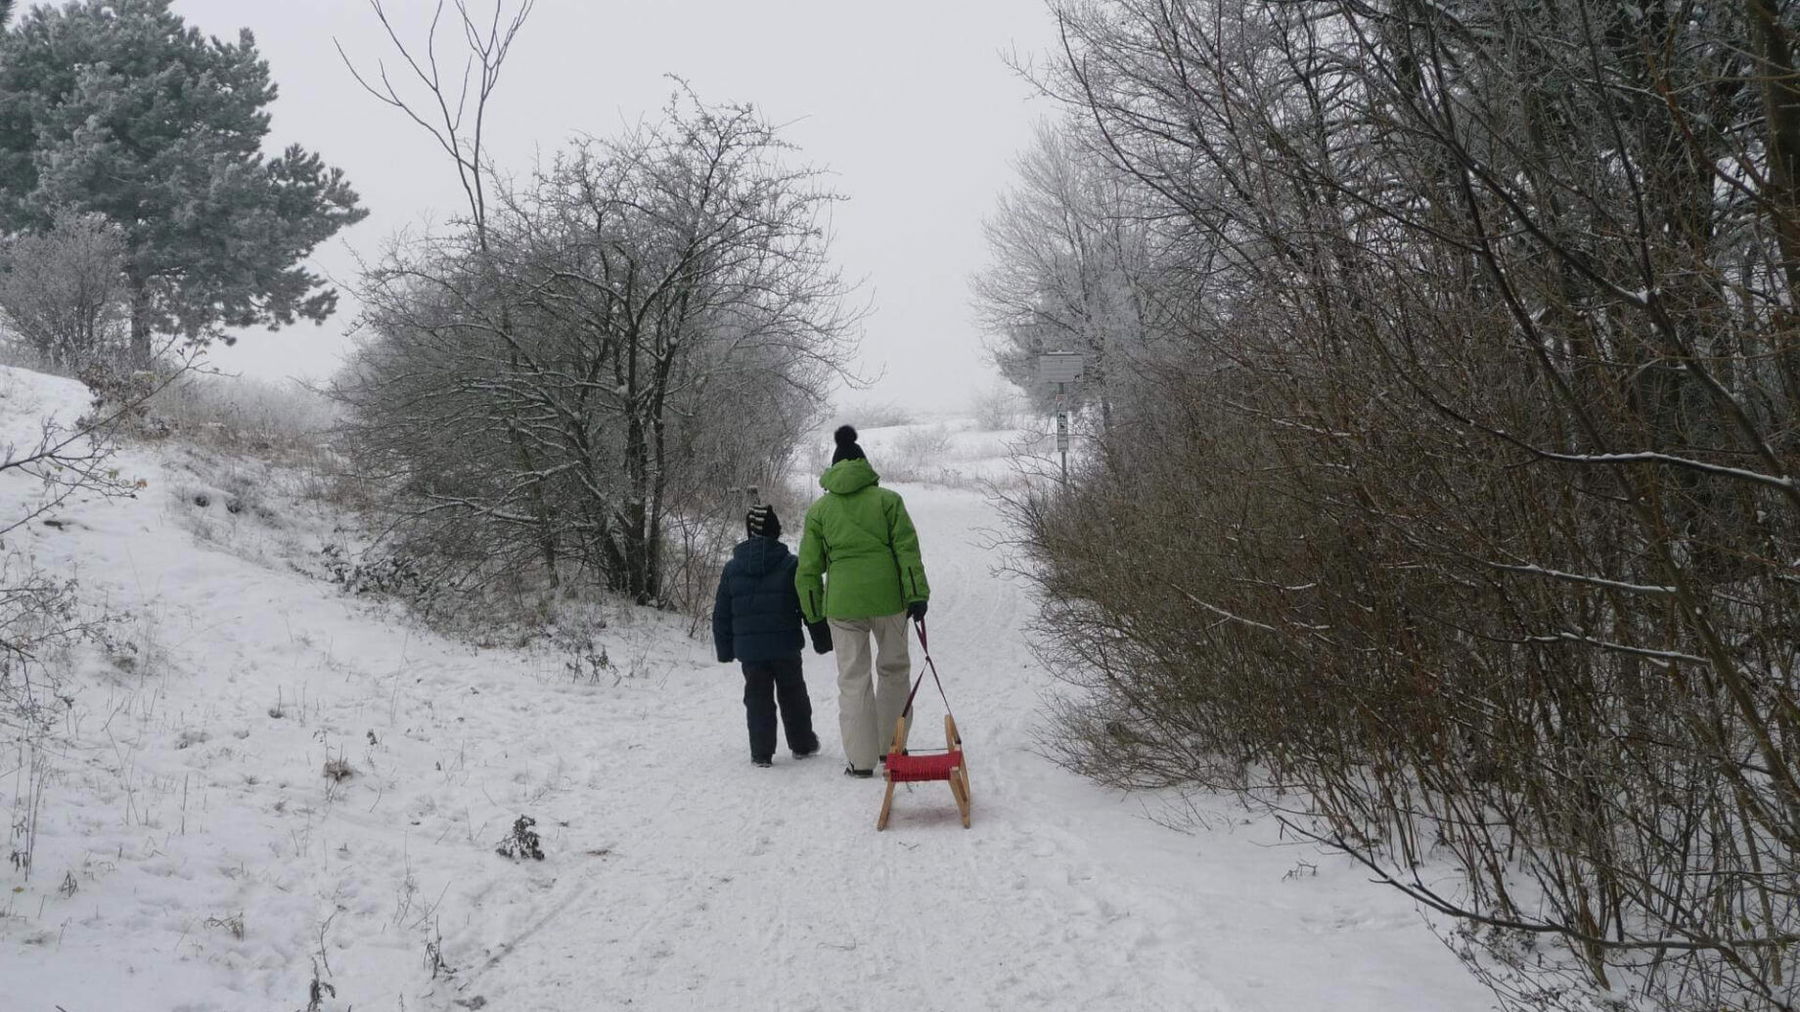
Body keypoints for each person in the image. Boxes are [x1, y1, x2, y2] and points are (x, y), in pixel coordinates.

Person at [796, 426, 930, 778]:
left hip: (842, 606)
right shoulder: (888, 501)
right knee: (894, 672)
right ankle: (893, 748)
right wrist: (916, 594)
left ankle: (860, 761)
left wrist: (813, 618)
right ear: (865, 465)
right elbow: (906, 550)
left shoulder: (819, 511)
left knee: (853, 679)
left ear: (833, 469)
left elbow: (807, 570)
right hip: (889, 600)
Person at [714, 504, 829, 768]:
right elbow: (807, 603)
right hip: (785, 645)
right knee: (793, 693)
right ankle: (802, 744)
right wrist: (821, 637)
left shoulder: (732, 569)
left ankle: (761, 752)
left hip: (750, 651)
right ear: (776, 531)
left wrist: (725, 648)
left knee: (756, 698)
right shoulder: (790, 565)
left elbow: (721, 611)